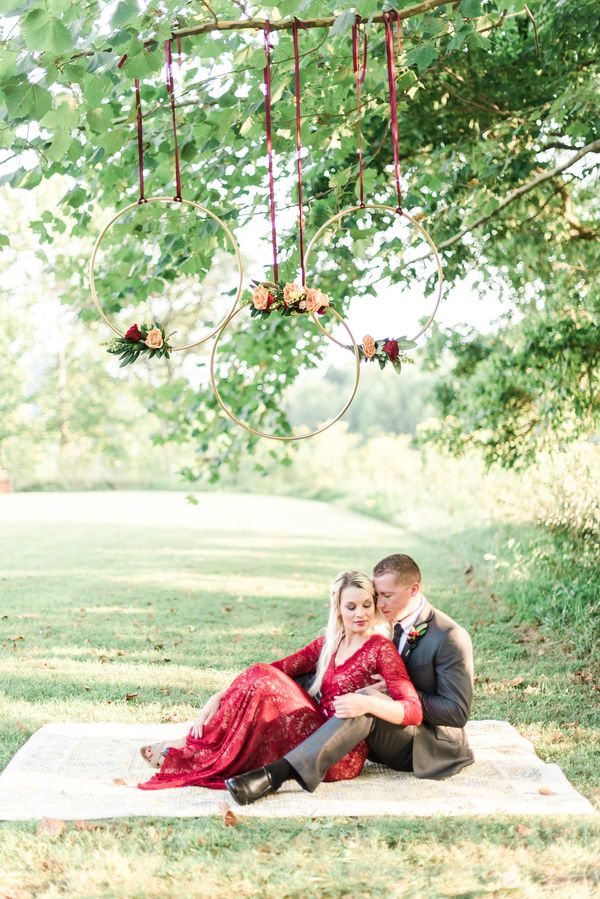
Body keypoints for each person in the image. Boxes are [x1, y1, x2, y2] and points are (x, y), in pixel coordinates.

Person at [137, 570, 422, 792]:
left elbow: (412, 709)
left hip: (338, 751)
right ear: (338, 609)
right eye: (351, 606)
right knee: (262, 674)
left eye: (366, 605)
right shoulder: (329, 643)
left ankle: (187, 749)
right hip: (311, 727)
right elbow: (276, 668)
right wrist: (220, 695)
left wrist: (366, 702)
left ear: (374, 606)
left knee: (265, 680)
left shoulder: (380, 649)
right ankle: (192, 744)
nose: (359, 613)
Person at [226, 553, 474, 805]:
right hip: (384, 726)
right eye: (377, 597)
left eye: (386, 596)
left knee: (365, 699)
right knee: (319, 679)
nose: (379, 605)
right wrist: (227, 696)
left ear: (414, 589)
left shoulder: (449, 636)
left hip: (429, 744)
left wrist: (384, 695)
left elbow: (457, 712)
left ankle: (277, 774)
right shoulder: (391, 625)